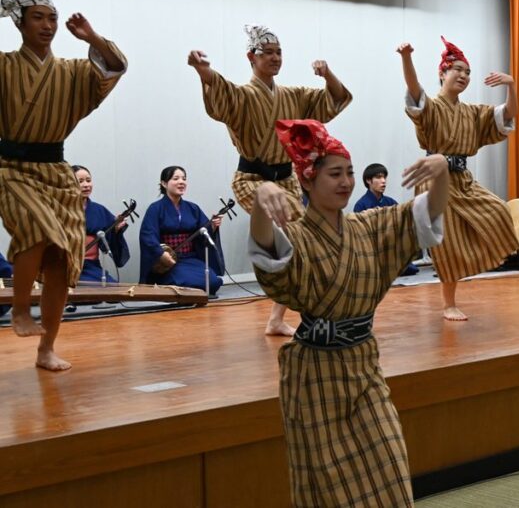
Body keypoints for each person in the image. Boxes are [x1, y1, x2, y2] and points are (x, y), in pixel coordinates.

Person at [248, 119, 447, 507]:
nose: (346, 182)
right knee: (331, 488)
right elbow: (266, 244)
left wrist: (440, 174)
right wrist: (261, 198)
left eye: (350, 173)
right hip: (315, 373)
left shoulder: (369, 226)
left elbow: (424, 217)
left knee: (391, 465)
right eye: (335, 174)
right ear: (308, 180)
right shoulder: (298, 235)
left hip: (363, 364)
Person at [189, 23, 352, 335]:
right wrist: (202, 70)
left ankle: (278, 317)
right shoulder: (244, 95)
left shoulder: (293, 95)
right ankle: (291, 306)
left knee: (304, 243)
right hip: (253, 179)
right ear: (251, 56)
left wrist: (327, 73)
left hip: (286, 180)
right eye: (268, 52)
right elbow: (221, 93)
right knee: (292, 240)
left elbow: (333, 100)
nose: (276, 58)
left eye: (279, 52)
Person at [0, 0, 126, 370]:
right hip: (11, 167)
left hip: (56, 171)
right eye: (37, 17)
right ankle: (20, 309)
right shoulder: (4, 65)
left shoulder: (71, 71)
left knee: (61, 259)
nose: (47, 25)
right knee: (37, 228)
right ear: (20, 22)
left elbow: (115, 66)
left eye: (52, 18)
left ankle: (47, 348)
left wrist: (92, 37)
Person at [398, 36, 519, 321]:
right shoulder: (432, 107)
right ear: (442, 73)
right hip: (436, 179)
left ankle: (478, 262)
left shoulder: (472, 112)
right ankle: (448, 304)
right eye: (458, 70)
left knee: (499, 211)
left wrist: (511, 86)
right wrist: (406, 58)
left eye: (468, 72)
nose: (464, 75)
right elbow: (414, 91)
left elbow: (507, 115)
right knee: (448, 241)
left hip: (462, 178)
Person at [138, 166, 224, 294]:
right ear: (164, 183)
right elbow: (147, 235)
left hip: (190, 258)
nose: (181, 182)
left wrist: (213, 226)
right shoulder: (155, 209)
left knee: (212, 282)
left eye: (184, 179)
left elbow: (203, 232)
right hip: (168, 261)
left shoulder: (193, 208)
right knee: (187, 283)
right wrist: (161, 254)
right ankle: (162, 282)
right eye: (176, 178)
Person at [353, 163, 418, 276]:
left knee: (411, 269)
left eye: (384, 177)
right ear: (368, 180)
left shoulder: (390, 202)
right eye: (378, 177)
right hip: (373, 252)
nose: (383, 181)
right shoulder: (361, 205)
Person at [73, 165, 129, 283]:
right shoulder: (61, 210)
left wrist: (115, 230)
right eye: (80, 181)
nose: (86, 185)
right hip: (67, 266)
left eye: (88, 180)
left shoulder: (99, 210)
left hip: (91, 266)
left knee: (111, 288)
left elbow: (107, 242)